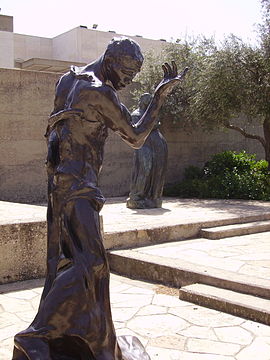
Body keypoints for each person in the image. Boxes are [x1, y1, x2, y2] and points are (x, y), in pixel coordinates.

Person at [12, 37, 188, 360]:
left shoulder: (68, 79)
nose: (128, 81)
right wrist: (159, 98)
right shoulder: (99, 92)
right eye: (127, 73)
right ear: (111, 60)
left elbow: (52, 131)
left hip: (61, 185)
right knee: (92, 265)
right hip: (79, 187)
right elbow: (134, 136)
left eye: (134, 76)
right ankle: (36, 335)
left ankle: (88, 341)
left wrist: (56, 170)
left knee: (73, 265)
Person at [127, 93, 168, 209]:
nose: (150, 102)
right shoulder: (136, 114)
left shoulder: (152, 114)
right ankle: (136, 196)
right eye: (148, 100)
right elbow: (138, 129)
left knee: (158, 169)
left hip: (157, 143)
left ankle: (154, 196)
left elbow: (155, 125)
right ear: (142, 101)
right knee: (145, 168)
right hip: (143, 145)